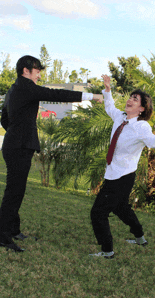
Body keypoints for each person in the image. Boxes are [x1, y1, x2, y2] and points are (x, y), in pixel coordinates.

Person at [0, 55, 103, 252]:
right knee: (14, 193)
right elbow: (56, 95)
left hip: (15, 145)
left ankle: (12, 230)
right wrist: (92, 96)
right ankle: (3, 236)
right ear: (26, 70)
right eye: (37, 70)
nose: (39, 75)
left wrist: (16, 132)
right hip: (19, 147)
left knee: (16, 191)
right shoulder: (26, 87)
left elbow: (5, 118)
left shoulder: (14, 88)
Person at [90, 74, 155, 259]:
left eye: (135, 99)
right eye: (130, 97)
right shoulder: (120, 117)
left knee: (98, 212)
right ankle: (140, 238)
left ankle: (107, 250)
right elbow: (109, 107)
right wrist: (107, 90)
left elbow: (153, 142)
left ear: (142, 108)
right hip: (113, 172)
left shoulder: (141, 127)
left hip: (123, 176)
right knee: (120, 208)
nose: (130, 100)